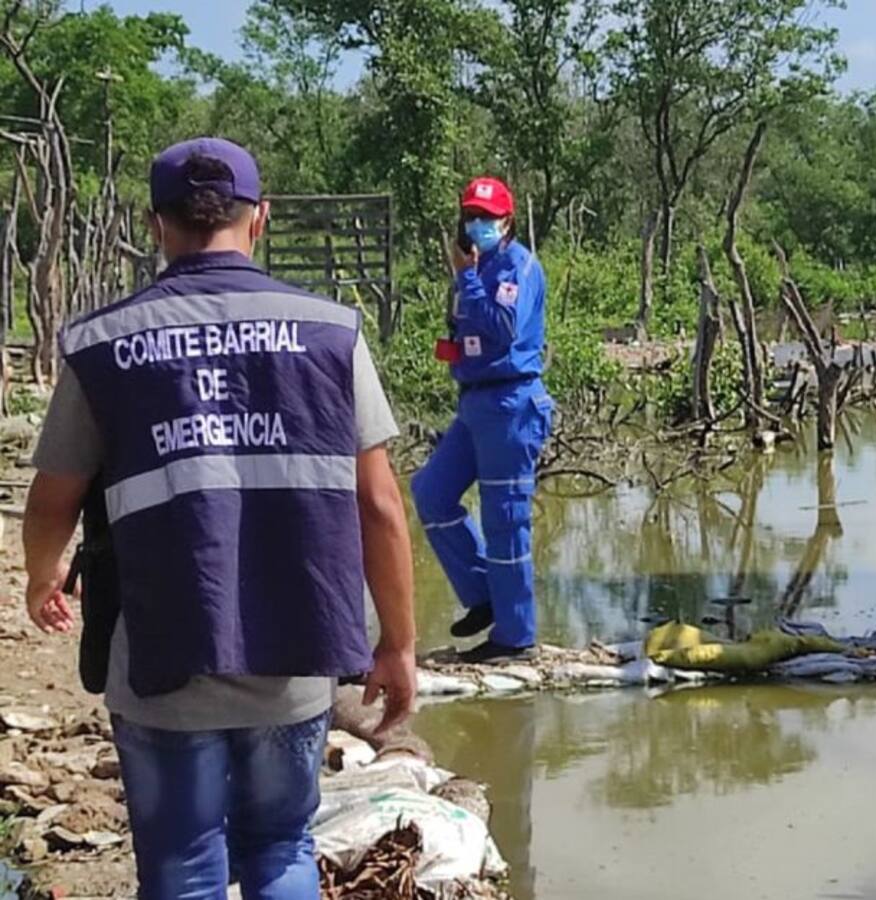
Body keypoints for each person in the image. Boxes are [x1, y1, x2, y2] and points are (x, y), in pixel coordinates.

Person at [22, 137, 418, 900]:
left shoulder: (102, 344)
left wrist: (44, 576)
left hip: (162, 659)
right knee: (282, 849)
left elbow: (52, 500)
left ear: (155, 224)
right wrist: (398, 644)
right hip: (294, 654)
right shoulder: (331, 332)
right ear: (260, 218)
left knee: (183, 867)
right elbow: (379, 506)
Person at [411, 176, 553, 664]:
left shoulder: (517, 267)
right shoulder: (476, 265)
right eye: (471, 216)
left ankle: (515, 636)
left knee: (505, 519)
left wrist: (467, 278)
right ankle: (485, 595)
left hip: (511, 404)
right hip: (474, 402)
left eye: (486, 218)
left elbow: (503, 327)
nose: (476, 225)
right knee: (431, 492)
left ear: (507, 222)